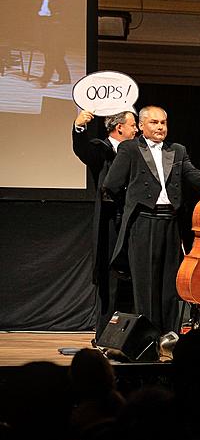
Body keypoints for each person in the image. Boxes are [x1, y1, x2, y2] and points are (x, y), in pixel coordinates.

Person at [103, 105, 200, 334]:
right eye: (154, 122)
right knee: (145, 284)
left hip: (170, 222)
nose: (160, 127)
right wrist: (131, 205)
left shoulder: (177, 150)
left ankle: (169, 337)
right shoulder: (130, 148)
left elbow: (191, 172)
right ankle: (146, 337)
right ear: (141, 125)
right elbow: (111, 185)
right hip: (143, 221)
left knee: (170, 284)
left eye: (163, 123)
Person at [72, 109, 137, 342]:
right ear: (119, 127)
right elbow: (83, 149)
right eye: (133, 125)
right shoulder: (102, 150)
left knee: (135, 280)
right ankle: (103, 337)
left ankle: (133, 337)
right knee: (109, 280)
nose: (136, 129)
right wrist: (79, 127)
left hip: (134, 222)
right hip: (110, 222)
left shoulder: (138, 151)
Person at [32, 0, 70, 88]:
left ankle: (45, 78)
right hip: (43, 22)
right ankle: (65, 77)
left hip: (57, 23)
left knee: (52, 51)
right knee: (52, 51)